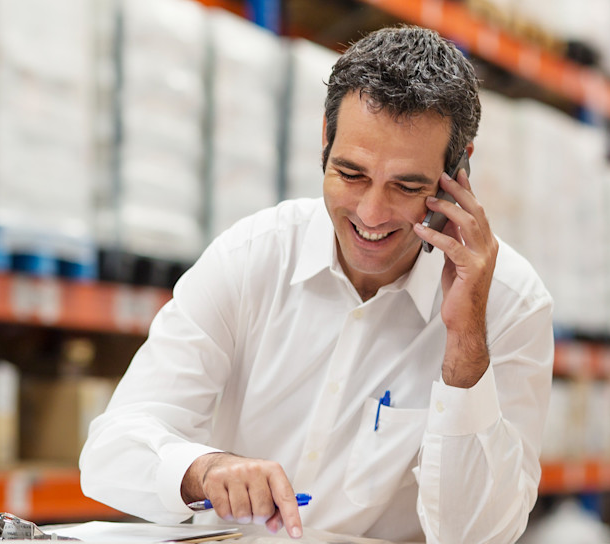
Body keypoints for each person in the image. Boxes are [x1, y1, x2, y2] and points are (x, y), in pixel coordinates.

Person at [79, 25, 553, 544]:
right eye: (351, 174)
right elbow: (109, 453)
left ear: (458, 172)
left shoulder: (510, 303)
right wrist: (204, 470)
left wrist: (465, 345)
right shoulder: (253, 257)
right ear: (325, 143)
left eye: (407, 186)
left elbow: (480, 535)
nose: (371, 214)